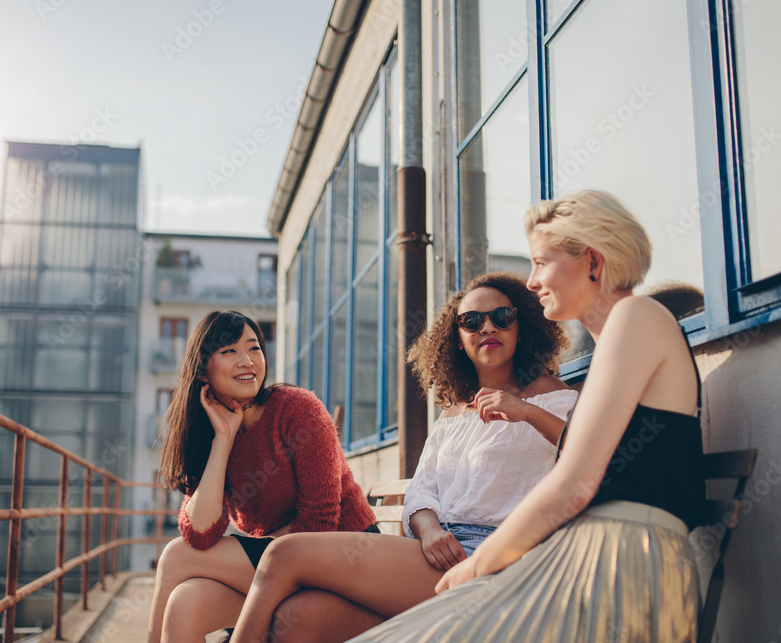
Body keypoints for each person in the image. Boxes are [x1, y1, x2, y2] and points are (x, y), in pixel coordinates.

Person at [348, 190, 705, 642]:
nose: (532, 282)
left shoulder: (637, 316)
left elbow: (573, 485)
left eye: (541, 262)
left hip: (620, 561)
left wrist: (477, 565)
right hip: (583, 554)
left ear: (593, 263)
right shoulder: (616, 343)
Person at [228, 272, 578, 642]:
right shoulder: (451, 416)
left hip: (499, 561)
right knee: (298, 618)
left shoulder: (549, 396)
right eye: (471, 321)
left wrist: (526, 411)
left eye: (502, 317)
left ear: (520, 327)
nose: (486, 327)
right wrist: (429, 532)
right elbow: (422, 491)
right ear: (457, 340)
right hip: (435, 553)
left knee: (283, 555)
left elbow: (589, 459)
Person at [146, 311, 376, 643]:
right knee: (186, 602)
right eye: (229, 351)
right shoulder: (209, 434)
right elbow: (199, 534)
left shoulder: (297, 410)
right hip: (278, 565)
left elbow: (319, 524)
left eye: (253, 349)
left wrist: (254, 546)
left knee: (173, 557)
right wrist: (223, 440)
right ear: (202, 369)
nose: (247, 361)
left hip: (343, 558)